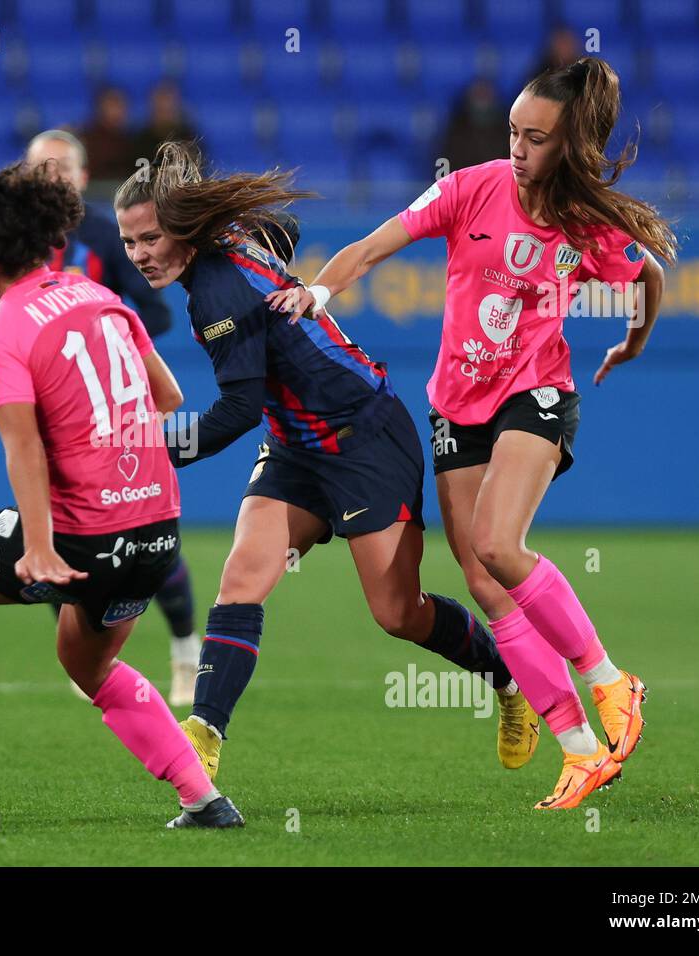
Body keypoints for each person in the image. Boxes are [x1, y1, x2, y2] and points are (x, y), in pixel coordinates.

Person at [269, 57, 674, 810]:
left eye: (537, 138)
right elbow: (372, 244)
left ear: (572, 145)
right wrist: (319, 290)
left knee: (496, 545)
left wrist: (634, 340)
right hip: (458, 406)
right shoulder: (469, 186)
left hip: (537, 393)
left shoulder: (586, 223)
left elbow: (647, 274)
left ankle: (612, 681)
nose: (518, 149)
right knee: (488, 588)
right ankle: (581, 750)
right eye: (514, 132)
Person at [113, 142, 538, 784]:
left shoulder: (216, 293)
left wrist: (148, 452)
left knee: (399, 613)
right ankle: (202, 739)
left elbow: (237, 411)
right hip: (295, 447)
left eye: (150, 238)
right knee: (242, 577)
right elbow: (286, 229)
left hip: (365, 436)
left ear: (183, 229)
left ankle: (508, 685)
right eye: (128, 242)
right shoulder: (235, 238)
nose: (140, 254)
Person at [0, 153, 243, 831]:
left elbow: (23, 447)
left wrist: (38, 546)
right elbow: (170, 397)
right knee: (83, 663)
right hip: (157, 533)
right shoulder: (102, 299)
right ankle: (203, 798)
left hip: (80, 535)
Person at [0, 130, 200, 706]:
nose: (48, 177)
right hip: (120, 457)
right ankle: (192, 781)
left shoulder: (100, 245)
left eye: (58, 167)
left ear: (81, 180)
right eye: (38, 168)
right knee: (112, 558)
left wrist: (107, 354)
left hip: (105, 418)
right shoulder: (30, 265)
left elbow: (150, 307)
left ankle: (181, 651)